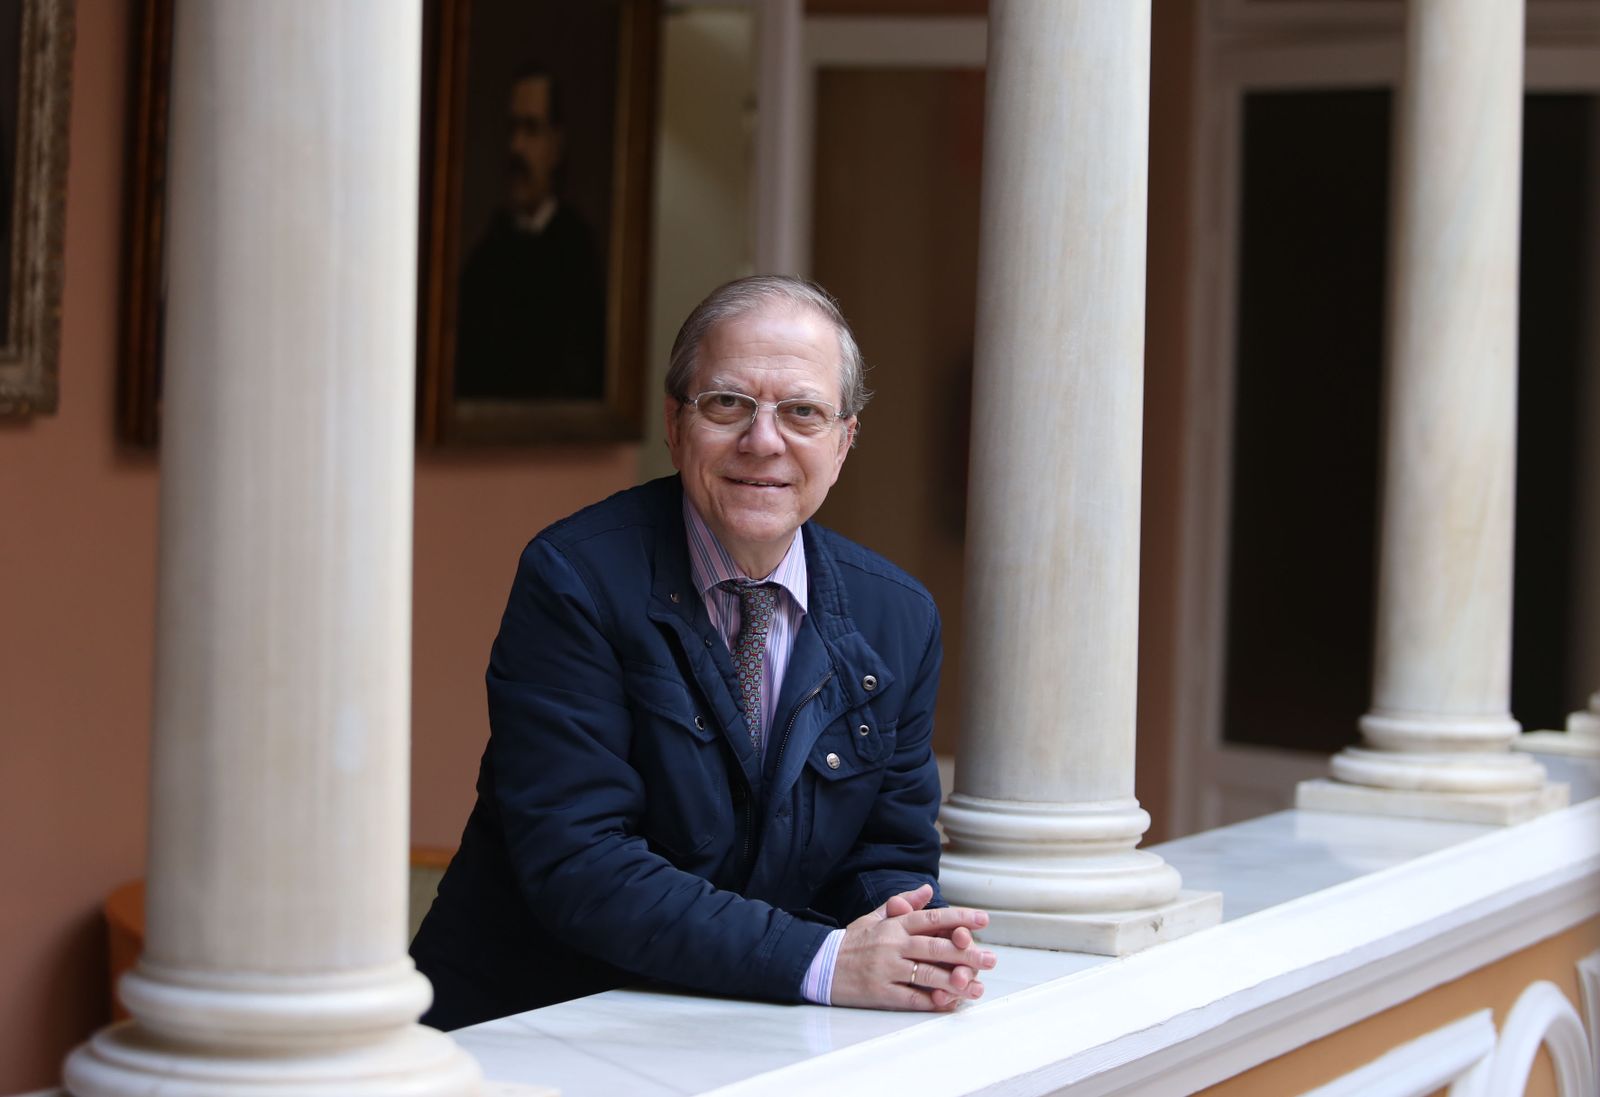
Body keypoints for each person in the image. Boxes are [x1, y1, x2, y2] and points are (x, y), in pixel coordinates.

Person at [411, 276, 995, 1030]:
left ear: (844, 441)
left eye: (802, 412)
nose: (763, 440)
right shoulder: (576, 579)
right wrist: (820, 961)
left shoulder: (899, 617)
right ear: (674, 421)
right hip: (531, 1026)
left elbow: (887, 858)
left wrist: (917, 945)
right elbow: (581, 864)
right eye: (728, 403)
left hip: (736, 1028)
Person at [452, 66, 606, 401]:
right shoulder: (488, 252)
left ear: (557, 144)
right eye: (512, 129)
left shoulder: (577, 251)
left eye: (531, 129)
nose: (516, 146)